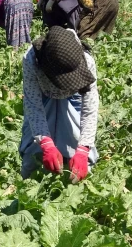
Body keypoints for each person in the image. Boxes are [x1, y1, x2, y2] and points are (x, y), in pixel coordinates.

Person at [19, 26, 99, 180]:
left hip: (75, 96)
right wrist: (46, 144)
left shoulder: (86, 60)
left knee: (77, 143)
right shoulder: (31, 60)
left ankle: (82, 183)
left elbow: (90, 107)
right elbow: (33, 106)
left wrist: (83, 150)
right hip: (43, 96)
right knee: (32, 148)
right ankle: (27, 182)